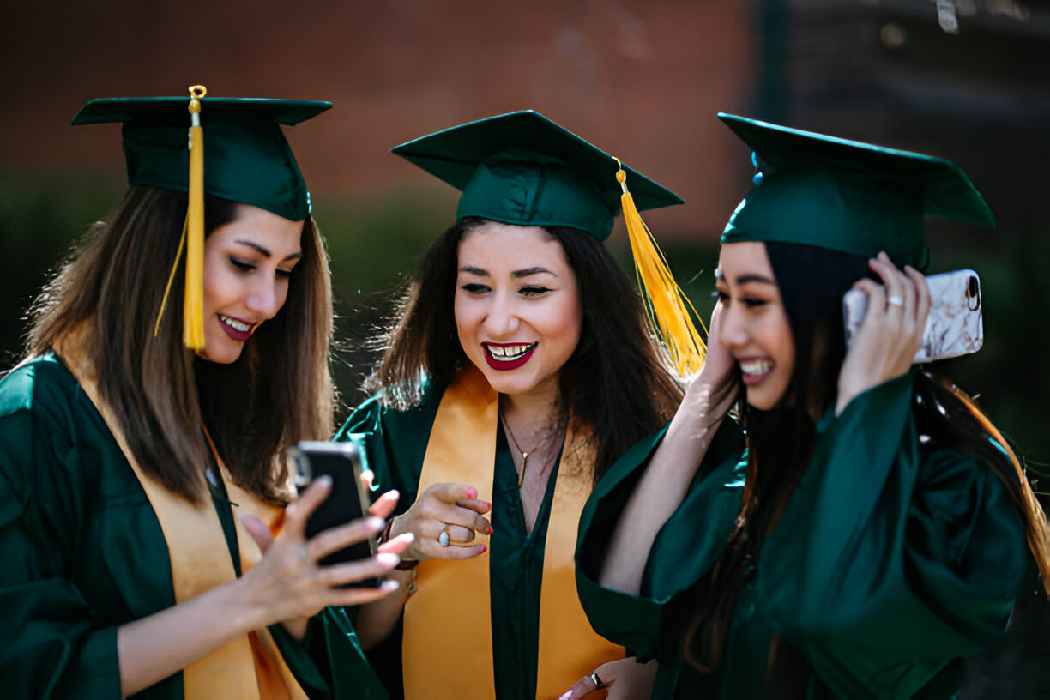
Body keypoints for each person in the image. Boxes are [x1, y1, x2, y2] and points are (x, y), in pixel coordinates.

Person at [569, 114, 1050, 699]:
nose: (731, 329)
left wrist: (866, 397)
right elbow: (623, 598)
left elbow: (827, 615)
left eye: (756, 301)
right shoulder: (756, 468)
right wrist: (706, 396)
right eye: (724, 297)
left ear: (846, 309)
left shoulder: (955, 488)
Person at [0, 87, 411, 699]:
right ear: (165, 250)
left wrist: (352, 575)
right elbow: (29, 673)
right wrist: (254, 597)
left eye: (285, 273)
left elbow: (296, 653)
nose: (269, 303)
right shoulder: (37, 419)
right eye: (244, 264)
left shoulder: (234, 417)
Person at [336, 110, 702, 699]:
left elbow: (719, 632)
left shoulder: (660, 440)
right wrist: (399, 548)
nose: (498, 320)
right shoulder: (392, 432)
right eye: (475, 287)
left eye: (534, 289)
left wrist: (659, 677)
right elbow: (331, 649)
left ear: (591, 296)